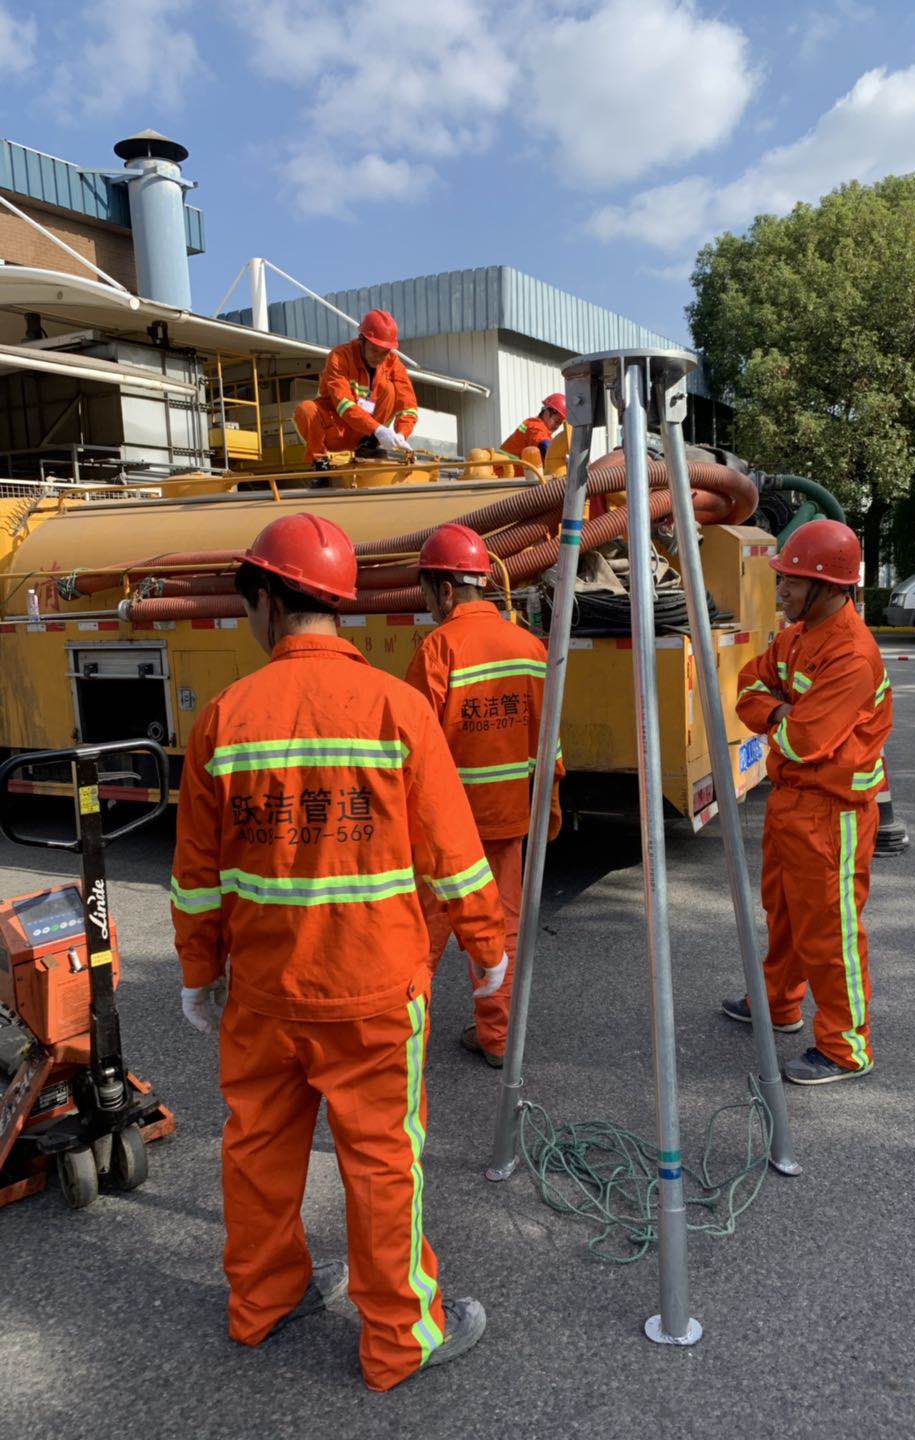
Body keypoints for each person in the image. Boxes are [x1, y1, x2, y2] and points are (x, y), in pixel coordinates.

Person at [171, 512, 507, 1391]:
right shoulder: (397, 708)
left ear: (269, 602)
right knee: (383, 1164)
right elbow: (452, 847)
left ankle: (264, 1301)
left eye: (249, 603)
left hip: (264, 995)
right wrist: (487, 946)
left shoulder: (223, 718)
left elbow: (197, 873)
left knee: (257, 1154)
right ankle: (399, 1337)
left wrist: (200, 973)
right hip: (371, 995)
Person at [724, 519, 893, 1084]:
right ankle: (779, 1004)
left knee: (830, 931)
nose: (782, 592)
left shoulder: (850, 655)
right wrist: (778, 712)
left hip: (832, 813)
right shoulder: (796, 637)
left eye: (792, 582)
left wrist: (780, 721)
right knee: (785, 914)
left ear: (827, 586)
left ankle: (846, 1048)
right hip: (793, 802)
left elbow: (805, 741)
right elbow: (748, 688)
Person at [405, 523, 563, 1067]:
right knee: (501, 930)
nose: (427, 604)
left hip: (447, 832)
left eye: (427, 592)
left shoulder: (438, 650)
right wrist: (547, 812)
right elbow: (550, 741)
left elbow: (412, 751)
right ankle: (498, 1040)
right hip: (508, 822)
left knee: (421, 938)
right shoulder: (530, 647)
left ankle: (405, 1047)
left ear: (445, 590)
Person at [293, 309, 418, 476]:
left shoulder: (393, 363)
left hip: (367, 434)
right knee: (306, 410)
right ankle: (320, 464)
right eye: (374, 350)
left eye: (384, 353)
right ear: (362, 341)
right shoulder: (339, 357)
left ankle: (368, 446)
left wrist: (402, 433)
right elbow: (344, 405)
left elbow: (408, 405)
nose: (379, 358)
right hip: (336, 430)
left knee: (390, 389)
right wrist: (379, 430)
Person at [496, 393, 566, 476]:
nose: (556, 426)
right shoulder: (535, 427)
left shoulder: (534, 425)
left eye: (559, 424)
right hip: (503, 474)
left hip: (510, 474)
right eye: (556, 421)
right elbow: (547, 448)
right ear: (546, 412)